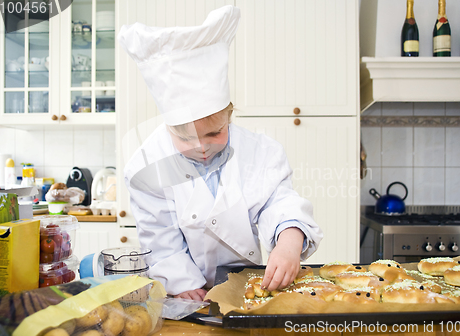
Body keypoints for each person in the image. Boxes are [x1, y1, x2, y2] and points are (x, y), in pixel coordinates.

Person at [118, 5, 323, 301]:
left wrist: (289, 242)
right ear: (167, 127)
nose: (202, 147)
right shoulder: (145, 166)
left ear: (229, 117)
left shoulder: (260, 152)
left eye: (215, 133)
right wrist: (183, 283)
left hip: (246, 284)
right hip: (185, 290)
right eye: (185, 137)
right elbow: (160, 238)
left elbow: (278, 203)